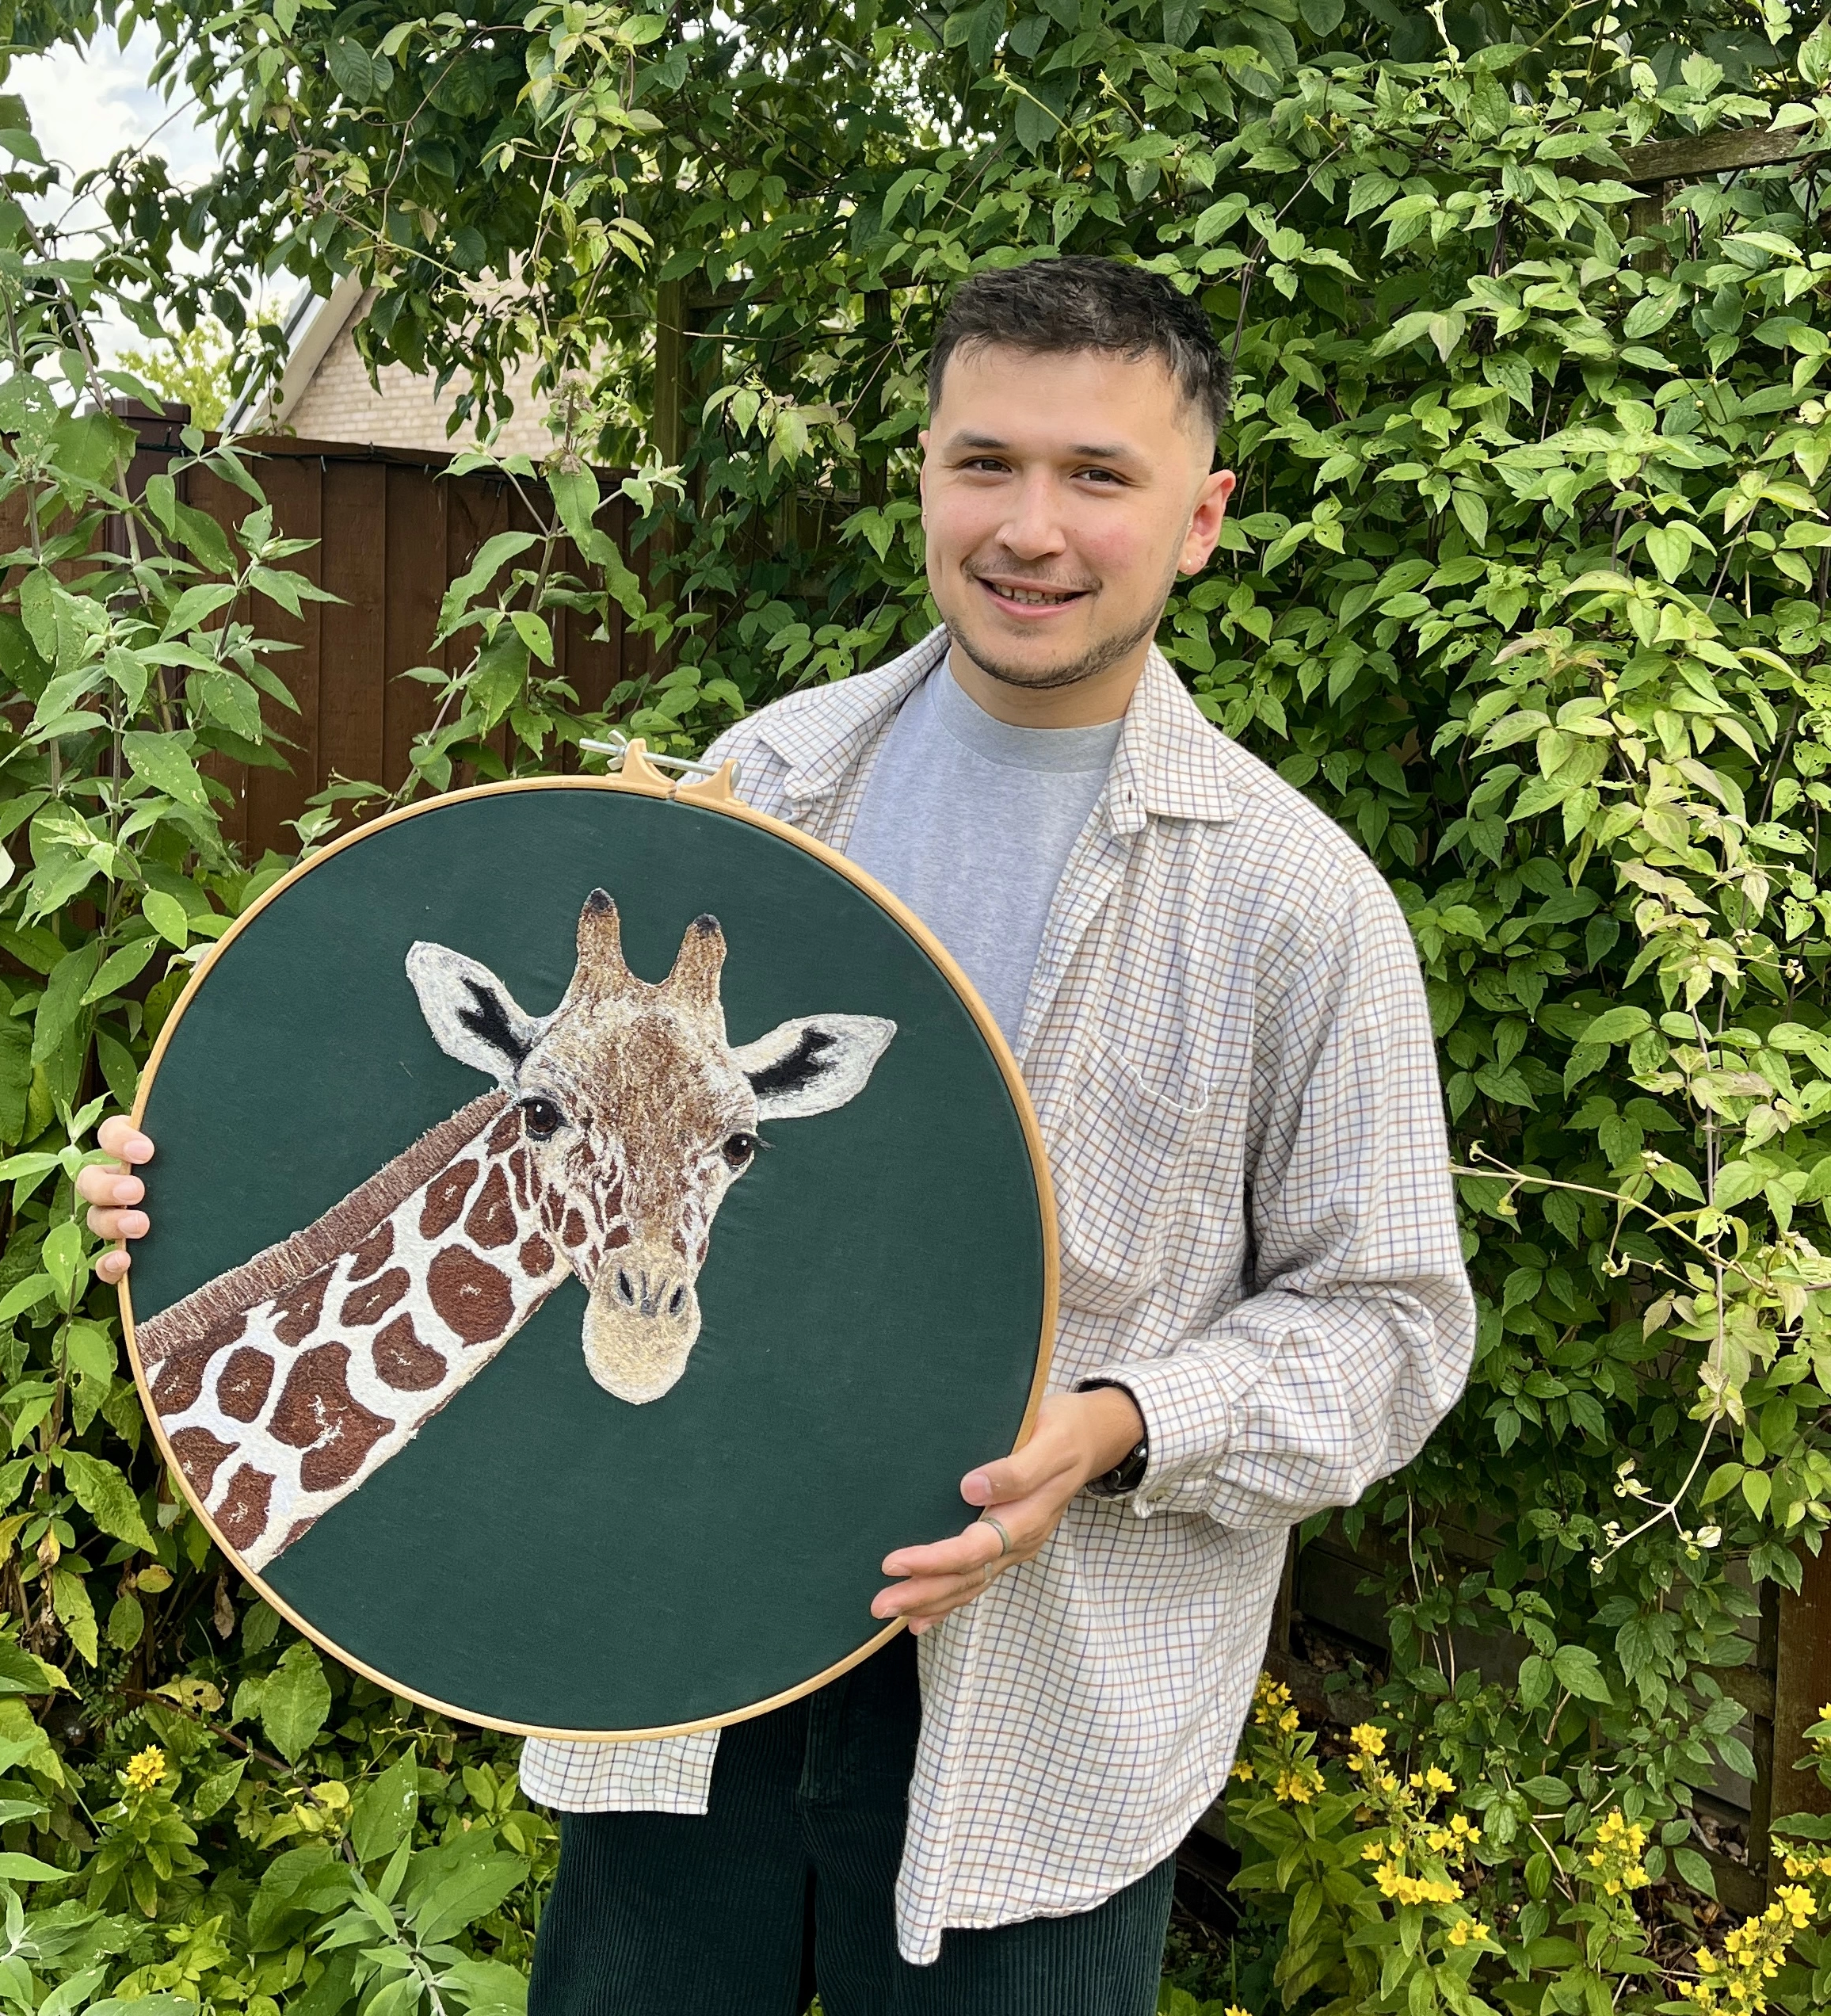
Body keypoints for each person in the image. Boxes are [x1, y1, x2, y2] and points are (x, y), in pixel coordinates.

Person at [81, 256, 1474, 2016]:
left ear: (1199, 519)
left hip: (1041, 1730)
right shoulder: (758, 786)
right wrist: (195, 1188)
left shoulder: (1297, 905)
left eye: (1097, 477)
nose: (1030, 527)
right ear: (924, 478)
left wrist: (1120, 1428)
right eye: (986, 464)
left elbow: (1393, 1330)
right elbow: (498, 1122)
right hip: (679, 1649)